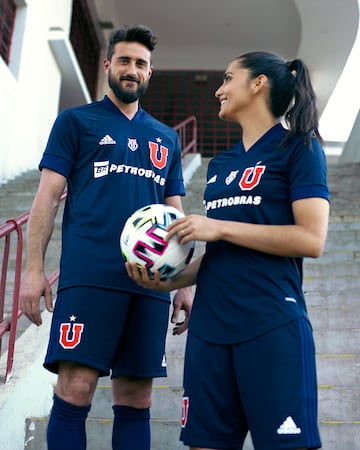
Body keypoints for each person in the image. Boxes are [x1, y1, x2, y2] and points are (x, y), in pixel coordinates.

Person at [126, 51, 330, 450]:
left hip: (269, 322)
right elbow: (221, 255)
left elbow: (311, 239)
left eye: (227, 78)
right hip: (209, 328)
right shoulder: (220, 166)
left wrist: (217, 226)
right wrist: (163, 279)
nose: (218, 90)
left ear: (258, 84)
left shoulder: (299, 149)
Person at [20, 25, 192, 450]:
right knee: (75, 387)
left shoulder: (166, 137)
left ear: (150, 72)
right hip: (89, 277)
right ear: (108, 65)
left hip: (149, 283)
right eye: (125, 61)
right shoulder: (76, 122)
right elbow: (46, 199)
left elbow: (176, 214)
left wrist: (183, 280)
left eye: (141, 64)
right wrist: (33, 269)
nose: (132, 70)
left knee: (137, 396)